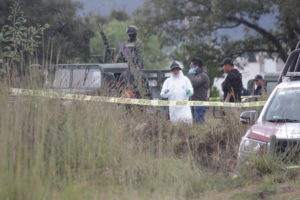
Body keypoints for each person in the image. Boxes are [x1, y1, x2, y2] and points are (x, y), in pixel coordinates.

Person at [188, 57, 209, 124]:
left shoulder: (203, 75)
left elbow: (193, 83)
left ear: (197, 66)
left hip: (200, 102)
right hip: (193, 101)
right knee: (194, 122)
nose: (191, 67)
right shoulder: (196, 74)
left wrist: (191, 73)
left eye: (192, 66)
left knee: (199, 122)